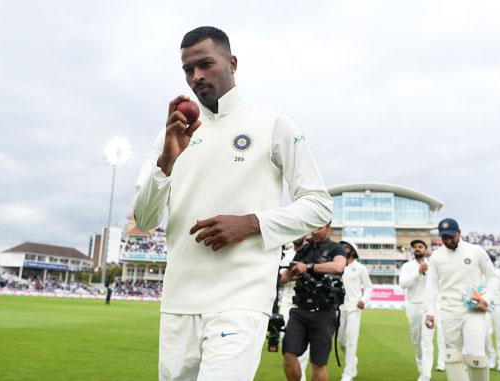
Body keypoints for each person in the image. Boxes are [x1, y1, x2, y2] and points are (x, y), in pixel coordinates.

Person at [132, 26, 332, 381]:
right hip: (179, 302)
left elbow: (319, 205)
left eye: (206, 64)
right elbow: (145, 219)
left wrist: (251, 223)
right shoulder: (170, 136)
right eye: (188, 69)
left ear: (232, 63)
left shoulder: (273, 125)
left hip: (240, 299)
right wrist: (166, 162)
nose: (197, 76)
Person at [425, 218, 499, 381]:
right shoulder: (436, 257)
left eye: (452, 236)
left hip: (474, 310)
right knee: (452, 356)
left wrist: (486, 299)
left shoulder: (475, 251)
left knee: (475, 357)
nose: (449, 241)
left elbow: (493, 278)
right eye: (445, 238)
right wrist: (430, 312)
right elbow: (431, 286)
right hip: (449, 311)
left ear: (459, 233)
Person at [281, 223, 347, 381]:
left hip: (324, 312)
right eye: (314, 228)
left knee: (318, 364)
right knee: (288, 356)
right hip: (300, 310)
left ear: (329, 228)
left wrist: (309, 267)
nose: (315, 232)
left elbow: (339, 267)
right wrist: (281, 276)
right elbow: (289, 274)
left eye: (320, 228)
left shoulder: (336, 248)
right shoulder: (304, 249)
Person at [399, 239, 436, 381]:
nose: (417, 249)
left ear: (426, 249)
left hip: (429, 307)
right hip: (413, 305)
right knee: (416, 340)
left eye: (420, 246)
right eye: (414, 247)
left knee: (427, 340)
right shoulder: (407, 266)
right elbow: (403, 284)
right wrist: (418, 273)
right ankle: (421, 368)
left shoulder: (433, 266)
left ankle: (426, 375)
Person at [338, 240, 373, 381]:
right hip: (339, 308)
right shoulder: (337, 266)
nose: (343, 249)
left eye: (346, 247)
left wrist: (363, 300)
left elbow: (369, 287)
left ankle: (348, 373)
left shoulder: (360, 268)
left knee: (352, 340)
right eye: (342, 247)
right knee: (341, 341)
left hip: (354, 307)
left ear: (353, 250)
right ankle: (352, 360)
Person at [280, 236, 311, 381]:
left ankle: (301, 377)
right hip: (286, 303)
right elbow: (280, 278)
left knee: (302, 349)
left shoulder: (311, 252)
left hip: (305, 304)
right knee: (285, 342)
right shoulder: (285, 254)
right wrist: (295, 275)